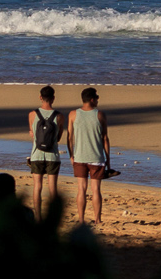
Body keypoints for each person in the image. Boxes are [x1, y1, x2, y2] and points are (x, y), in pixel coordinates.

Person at [65, 87, 111, 225]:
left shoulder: (73, 114)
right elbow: (105, 139)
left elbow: (69, 137)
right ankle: (97, 219)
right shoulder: (100, 115)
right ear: (92, 99)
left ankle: (81, 219)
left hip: (79, 156)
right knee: (96, 189)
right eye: (96, 98)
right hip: (96, 157)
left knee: (81, 189)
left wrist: (71, 155)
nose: (97, 100)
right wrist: (108, 160)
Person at [26, 84, 64, 218]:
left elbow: (32, 134)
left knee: (37, 186)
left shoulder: (32, 114)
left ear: (40, 97)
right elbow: (58, 138)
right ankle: (53, 216)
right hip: (53, 156)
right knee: (52, 187)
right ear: (53, 98)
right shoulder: (59, 116)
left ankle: (38, 215)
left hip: (36, 154)